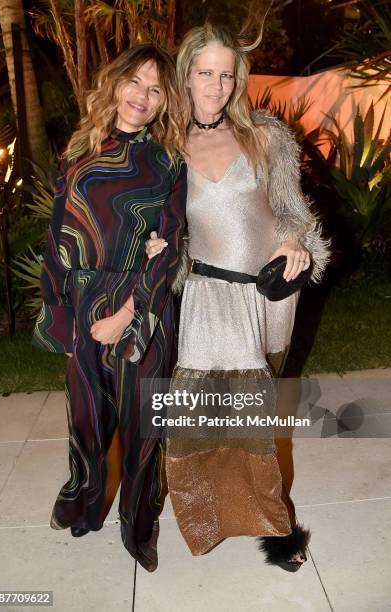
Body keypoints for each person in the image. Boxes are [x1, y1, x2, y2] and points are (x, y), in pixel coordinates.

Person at [145, 23, 331, 571]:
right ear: (185, 74)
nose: (217, 85)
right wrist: (158, 242)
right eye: (206, 72)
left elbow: (291, 210)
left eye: (227, 74)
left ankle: (266, 521)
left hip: (270, 295)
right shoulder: (163, 147)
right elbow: (153, 221)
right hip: (207, 292)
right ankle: (209, 519)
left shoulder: (265, 136)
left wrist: (296, 239)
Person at [32, 43, 187, 572]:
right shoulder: (80, 148)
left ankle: (139, 527)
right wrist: (58, 306)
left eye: (156, 88)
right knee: (87, 418)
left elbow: (169, 245)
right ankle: (86, 503)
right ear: (116, 82)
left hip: (139, 304)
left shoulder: (168, 160)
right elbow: (59, 231)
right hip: (82, 300)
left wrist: (125, 316)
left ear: (165, 101)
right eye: (135, 82)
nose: (142, 96)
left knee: (144, 426)